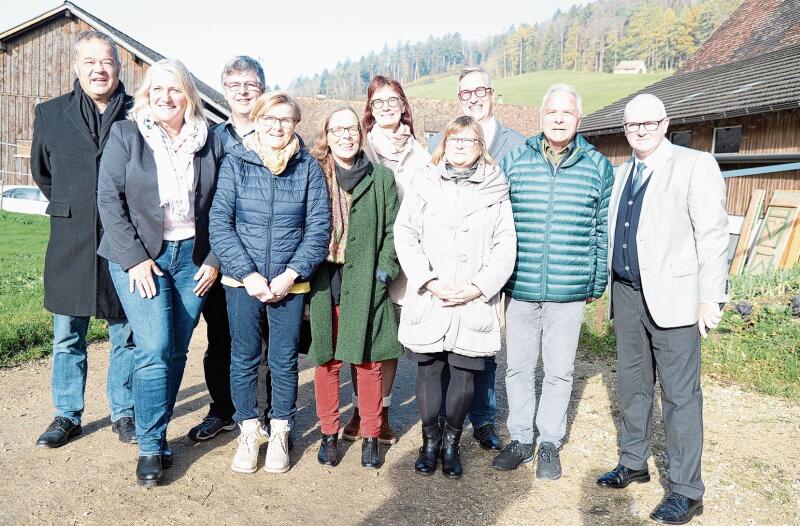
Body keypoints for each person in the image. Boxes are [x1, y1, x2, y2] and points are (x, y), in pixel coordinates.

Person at [596, 94, 728, 525]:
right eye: (633, 125)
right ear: (625, 128)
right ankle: (633, 462)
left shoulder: (695, 165)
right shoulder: (621, 174)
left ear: (665, 123)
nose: (640, 131)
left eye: (649, 124)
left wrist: (711, 297)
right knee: (633, 386)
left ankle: (687, 491)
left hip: (676, 299)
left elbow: (712, 235)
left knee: (679, 396)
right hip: (628, 295)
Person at [97, 59, 223, 486]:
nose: (165, 97)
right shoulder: (126, 135)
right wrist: (133, 258)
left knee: (175, 351)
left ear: (189, 95)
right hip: (138, 258)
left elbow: (225, 208)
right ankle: (151, 446)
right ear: (146, 94)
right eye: (157, 89)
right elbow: (108, 202)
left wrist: (215, 258)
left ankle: (158, 432)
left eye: (175, 90)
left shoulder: (210, 142)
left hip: (193, 259)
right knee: (154, 345)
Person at [492, 85, 613, 480]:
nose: (559, 119)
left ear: (579, 119)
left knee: (559, 371)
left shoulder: (597, 165)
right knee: (518, 368)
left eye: (567, 113)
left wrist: (597, 281)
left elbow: (601, 230)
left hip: (569, 288)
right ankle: (521, 438)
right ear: (540, 116)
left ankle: (548, 443)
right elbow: (497, 222)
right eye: (552, 112)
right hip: (522, 284)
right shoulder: (515, 160)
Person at [209, 92, 330, 475]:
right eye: (269, 119)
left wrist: (289, 274)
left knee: (282, 360)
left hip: (289, 283)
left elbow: (318, 228)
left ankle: (279, 430)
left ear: (295, 124)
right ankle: (248, 430)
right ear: (257, 120)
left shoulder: (308, 167)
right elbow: (220, 224)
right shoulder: (236, 163)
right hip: (241, 282)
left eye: (285, 120)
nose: (277, 127)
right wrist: (249, 275)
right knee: (244, 357)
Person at [30, 30, 136, 449]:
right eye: (90, 62)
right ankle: (67, 414)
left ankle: (124, 412)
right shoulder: (51, 113)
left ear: (117, 67)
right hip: (70, 239)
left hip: (124, 240)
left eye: (106, 61)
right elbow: (44, 173)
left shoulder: (137, 113)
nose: (99, 69)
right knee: (67, 335)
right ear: (76, 67)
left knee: (125, 333)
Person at [394, 116, 516, 478]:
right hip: (432, 293)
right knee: (429, 368)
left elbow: (504, 245)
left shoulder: (495, 188)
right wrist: (427, 281)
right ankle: (429, 442)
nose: (460, 145)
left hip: (472, 296)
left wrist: (478, 287)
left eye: (469, 140)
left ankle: (451, 445)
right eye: (453, 139)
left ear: (481, 147)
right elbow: (406, 234)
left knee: (464, 373)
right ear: (443, 144)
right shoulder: (424, 183)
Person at [428, 66, 527, 451]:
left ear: (492, 93)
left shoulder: (516, 144)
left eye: (480, 90)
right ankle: (439, 416)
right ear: (458, 98)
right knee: (441, 343)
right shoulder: (441, 140)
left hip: (493, 262)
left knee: (482, 345)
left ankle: (484, 419)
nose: (473, 96)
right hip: (449, 265)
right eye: (465, 92)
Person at [307, 106, 402, 469]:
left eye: (351, 129)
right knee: (327, 360)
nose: (345, 136)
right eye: (337, 130)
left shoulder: (381, 177)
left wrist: (384, 271)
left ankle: (371, 438)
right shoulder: (314, 173)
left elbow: (394, 229)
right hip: (323, 277)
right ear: (326, 136)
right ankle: (329, 434)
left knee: (369, 360)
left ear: (361, 134)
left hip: (366, 277)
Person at [188, 56, 272, 443]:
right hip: (215, 259)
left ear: (262, 89)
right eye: (235, 85)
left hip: (263, 259)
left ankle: (261, 415)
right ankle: (222, 409)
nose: (242, 91)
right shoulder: (209, 140)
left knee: (262, 342)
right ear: (224, 90)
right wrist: (215, 258)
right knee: (220, 339)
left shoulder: (276, 136)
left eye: (250, 85)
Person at [348, 75, 430, 445]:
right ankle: (358, 408)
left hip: (404, 255)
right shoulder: (359, 149)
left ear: (403, 107)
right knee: (359, 330)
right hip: (364, 252)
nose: (385, 107)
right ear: (370, 109)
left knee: (388, 338)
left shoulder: (422, 154)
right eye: (377, 102)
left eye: (392, 101)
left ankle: (382, 410)